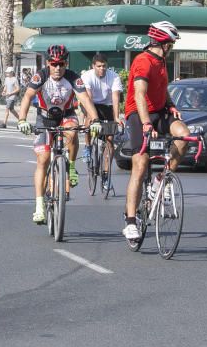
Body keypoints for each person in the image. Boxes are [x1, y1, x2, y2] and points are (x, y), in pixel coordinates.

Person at [120, 21, 193, 242]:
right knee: (140, 166)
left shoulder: (161, 62)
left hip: (160, 111)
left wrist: (171, 105)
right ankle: (131, 221)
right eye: (170, 43)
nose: (172, 48)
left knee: (183, 135)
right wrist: (145, 124)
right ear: (162, 43)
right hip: (138, 114)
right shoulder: (143, 62)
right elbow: (140, 95)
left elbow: (162, 90)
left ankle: (160, 179)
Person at [16, 44, 101, 224]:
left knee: (72, 131)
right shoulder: (41, 76)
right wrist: (22, 120)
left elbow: (85, 99)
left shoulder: (73, 78)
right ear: (48, 63)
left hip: (66, 115)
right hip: (45, 119)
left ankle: (70, 167)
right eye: (54, 64)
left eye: (61, 64)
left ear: (65, 63)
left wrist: (95, 121)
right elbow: (27, 96)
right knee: (43, 158)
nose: (57, 68)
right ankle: (39, 206)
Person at [80, 53, 124, 178]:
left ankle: (106, 174)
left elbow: (115, 98)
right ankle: (88, 146)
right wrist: (94, 119)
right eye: (99, 66)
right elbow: (88, 98)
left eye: (104, 66)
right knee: (89, 118)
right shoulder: (86, 76)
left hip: (107, 105)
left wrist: (116, 117)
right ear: (93, 66)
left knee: (110, 141)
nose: (102, 69)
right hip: (91, 103)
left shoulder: (114, 76)